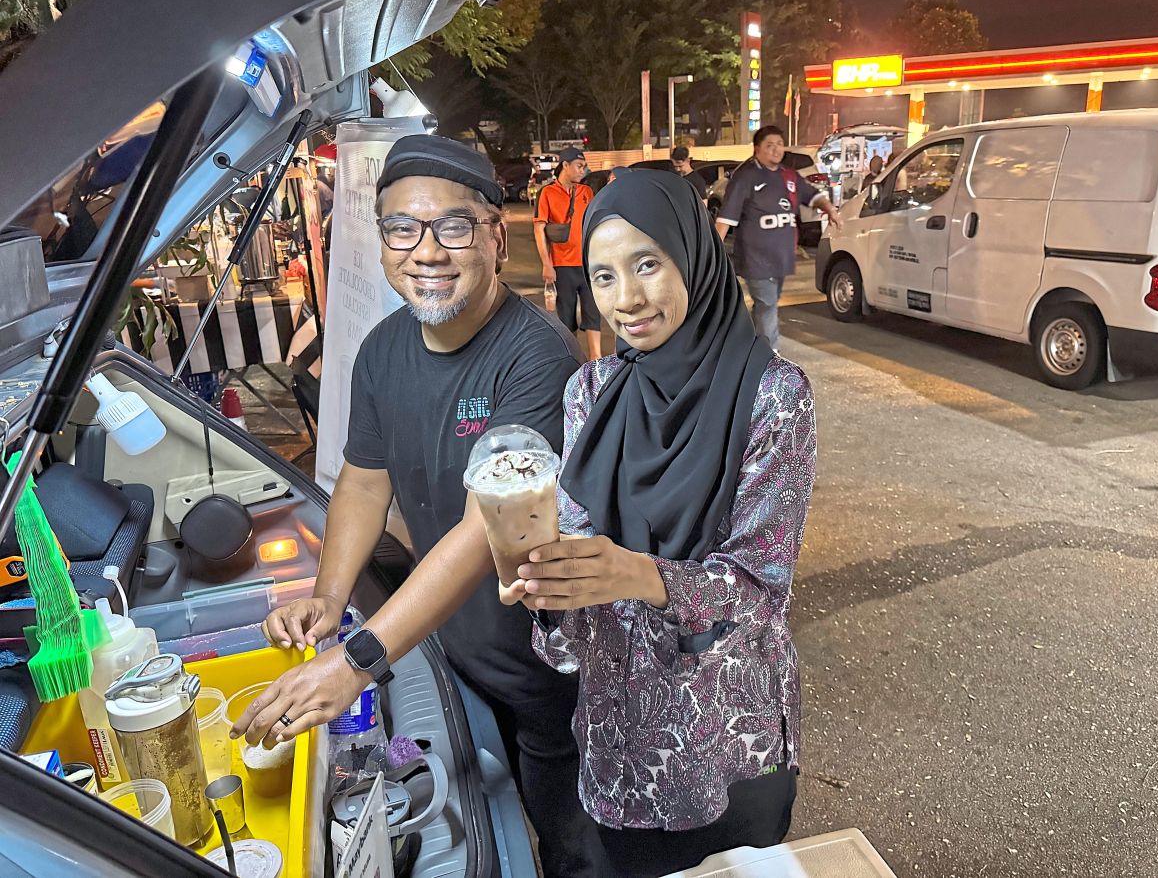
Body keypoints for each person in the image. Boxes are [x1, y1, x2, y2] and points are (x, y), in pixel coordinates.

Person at [231, 135, 601, 878]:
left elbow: (481, 528)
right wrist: (328, 601)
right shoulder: (382, 350)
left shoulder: (538, 356)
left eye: (453, 226)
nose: (426, 250)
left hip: (549, 676)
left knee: (570, 849)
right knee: (487, 827)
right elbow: (364, 483)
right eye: (403, 228)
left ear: (496, 238)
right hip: (456, 656)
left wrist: (358, 661)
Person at [502, 171, 817, 878]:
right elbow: (580, 553)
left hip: (729, 738)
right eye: (605, 275)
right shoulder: (589, 390)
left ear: (693, 256)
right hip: (622, 745)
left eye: (648, 264)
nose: (627, 299)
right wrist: (549, 591)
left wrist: (637, 574)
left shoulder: (773, 394)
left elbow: (759, 588)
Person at [715, 125, 842, 351]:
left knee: (766, 305)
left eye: (779, 144)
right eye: (769, 145)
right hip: (756, 257)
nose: (776, 150)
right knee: (767, 305)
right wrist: (711, 252)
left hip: (781, 258)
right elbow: (726, 218)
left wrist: (830, 209)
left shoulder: (788, 176)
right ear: (757, 149)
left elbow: (813, 196)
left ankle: (751, 347)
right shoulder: (745, 177)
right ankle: (771, 356)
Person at [535, 146, 601, 360]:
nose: (583, 170)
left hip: (587, 263)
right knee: (567, 316)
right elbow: (539, 229)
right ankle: (571, 359)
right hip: (562, 265)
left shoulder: (586, 192)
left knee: (593, 312)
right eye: (579, 166)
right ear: (565, 165)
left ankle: (596, 359)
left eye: (584, 166)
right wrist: (547, 263)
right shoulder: (547, 193)